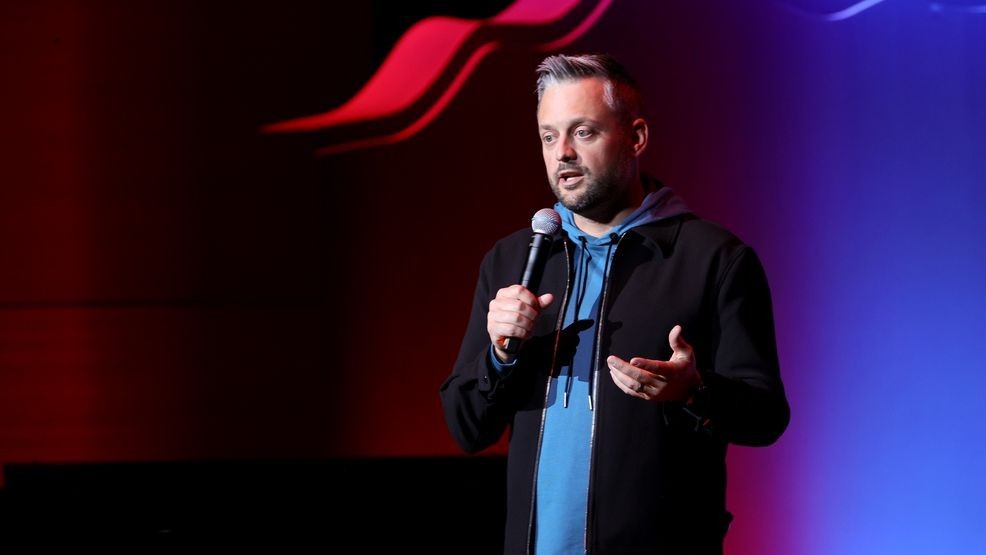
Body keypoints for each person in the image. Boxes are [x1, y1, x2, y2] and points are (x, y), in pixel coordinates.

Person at [439, 53, 789, 555]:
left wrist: (694, 392)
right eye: (548, 136)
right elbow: (466, 427)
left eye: (583, 132)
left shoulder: (714, 258)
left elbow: (765, 416)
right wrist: (500, 357)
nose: (562, 153)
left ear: (636, 138)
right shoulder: (513, 259)